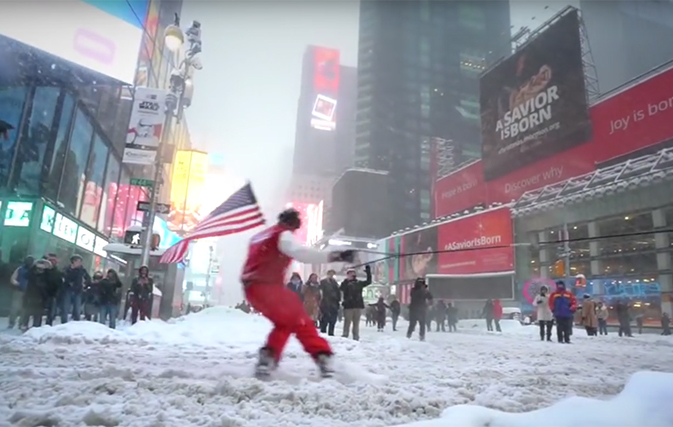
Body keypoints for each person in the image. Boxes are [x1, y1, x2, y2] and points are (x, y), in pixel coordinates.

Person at [241, 208, 355, 378]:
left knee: (286, 322)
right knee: (300, 320)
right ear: (293, 224)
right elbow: (302, 254)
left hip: (251, 288)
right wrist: (336, 256)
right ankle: (323, 356)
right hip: (267, 287)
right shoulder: (283, 235)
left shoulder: (261, 236)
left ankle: (268, 359)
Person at [340, 266, 372, 341]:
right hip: (348, 306)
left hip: (357, 305)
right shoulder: (345, 283)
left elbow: (368, 281)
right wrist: (346, 280)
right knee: (347, 322)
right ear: (347, 275)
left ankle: (356, 336)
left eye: (353, 273)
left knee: (356, 323)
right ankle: (345, 334)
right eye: (350, 273)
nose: (352, 275)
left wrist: (368, 272)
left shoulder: (359, 283)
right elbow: (341, 289)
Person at [61, 255, 91, 323]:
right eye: (78, 261)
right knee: (66, 307)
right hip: (68, 290)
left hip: (78, 291)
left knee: (77, 308)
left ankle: (76, 322)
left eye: (80, 262)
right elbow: (64, 278)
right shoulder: (67, 269)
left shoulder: (82, 270)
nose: (79, 263)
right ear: (73, 262)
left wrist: (85, 286)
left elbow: (88, 279)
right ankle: (64, 322)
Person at [8, 256, 33, 329]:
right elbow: (13, 278)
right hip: (22, 291)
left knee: (16, 308)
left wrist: (17, 283)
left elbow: (13, 279)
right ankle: (18, 323)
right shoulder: (29, 270)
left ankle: (13, 323)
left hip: (20, 291)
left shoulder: (20, 269)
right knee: (21, 308)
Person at [319, 269, 340, 336]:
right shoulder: (323, 282)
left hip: (334, 304)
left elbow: (338, 293)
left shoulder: (335, 283)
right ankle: (323, 332)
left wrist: (337, 300)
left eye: (332, 274)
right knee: (325, 319)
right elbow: (321, 292)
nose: (331, 275)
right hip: (325, 303)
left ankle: (331, 333)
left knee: (333, 320)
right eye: (330, 274)